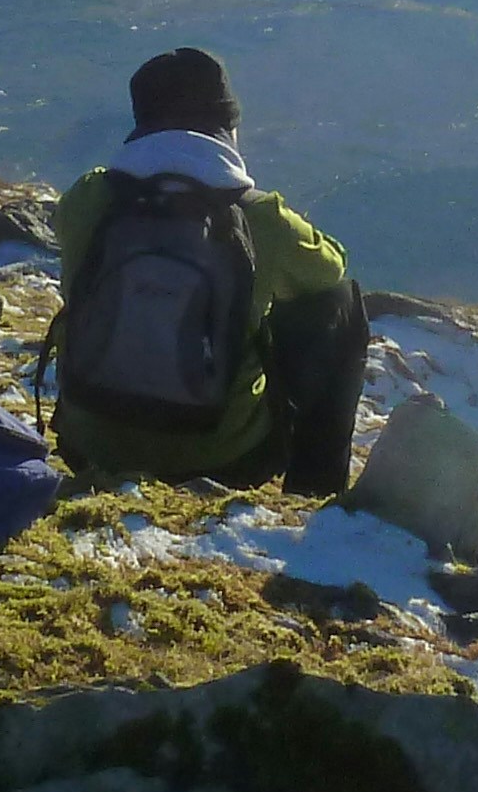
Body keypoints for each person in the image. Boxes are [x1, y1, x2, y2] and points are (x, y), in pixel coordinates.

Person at [45, 46, 365, 492]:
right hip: (224, 455)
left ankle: (111, 434)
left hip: (90, 444)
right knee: (339, 302)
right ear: (227, 128)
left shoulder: (87, 198)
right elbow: (331, 269)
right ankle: (317, 490)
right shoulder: (259, 219)